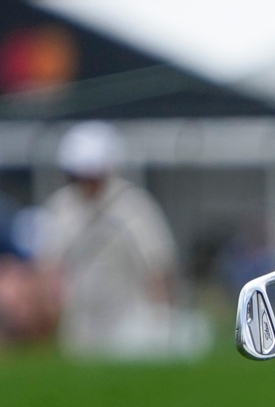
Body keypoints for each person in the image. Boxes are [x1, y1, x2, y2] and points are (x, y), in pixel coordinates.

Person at [36, 121, 193, 359]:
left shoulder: (132, 206)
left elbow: (159, 265)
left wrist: (163, 316)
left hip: (131, 319)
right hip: (82, 323)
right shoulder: (61, 208)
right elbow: (49, 267)